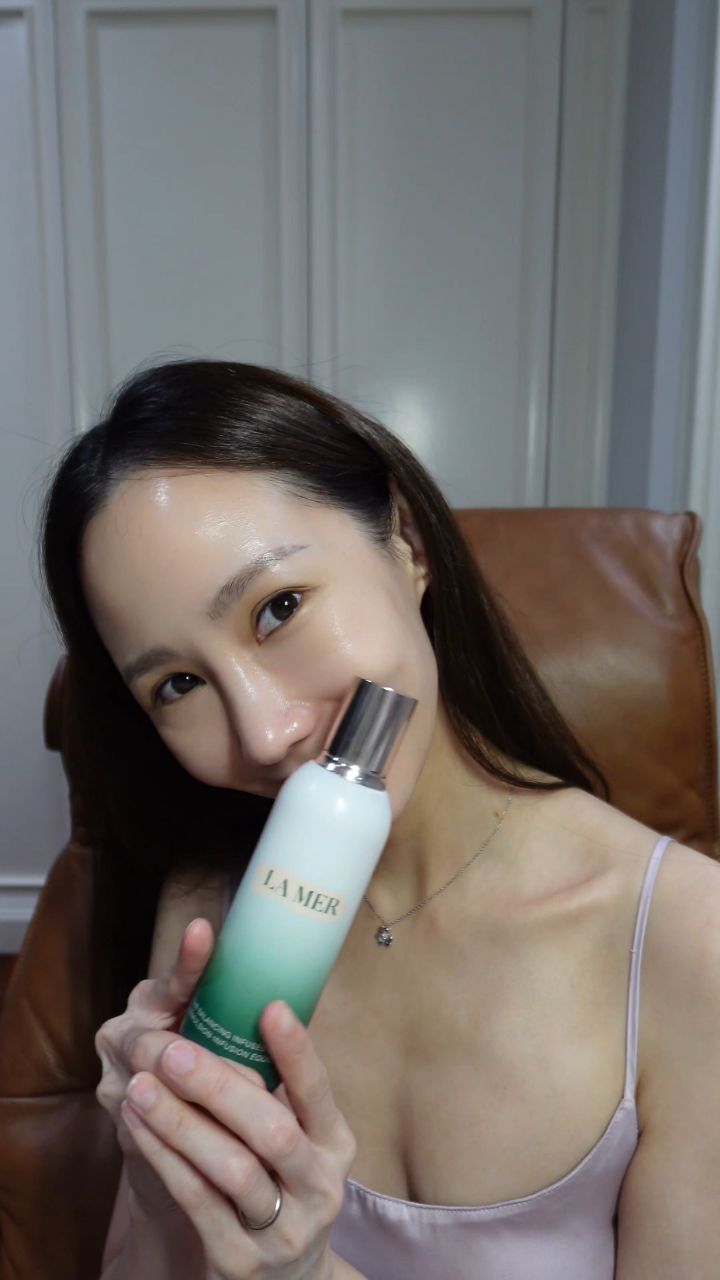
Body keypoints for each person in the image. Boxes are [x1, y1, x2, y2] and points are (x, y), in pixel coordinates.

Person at [38, 359, 720, 1279]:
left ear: (406, 543)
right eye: (179, 684)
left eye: (278, 608)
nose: (265, 733)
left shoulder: (690, 941)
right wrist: (165, 1195)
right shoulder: (212, 908)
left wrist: (308, 1272)